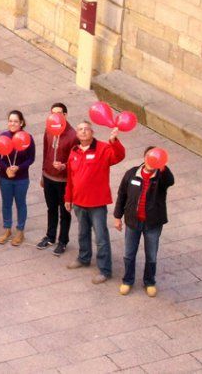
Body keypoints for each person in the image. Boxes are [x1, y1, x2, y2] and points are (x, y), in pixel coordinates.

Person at [65, 121, 125, 284]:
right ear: (76, 134)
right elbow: (70, 178)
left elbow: (119, 156)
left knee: (101, 237)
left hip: (97, 203)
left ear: (92, 132)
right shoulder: (74, 151)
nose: (83, 132)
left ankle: (105, 270)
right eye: (80, 129)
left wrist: (114, 141)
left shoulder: (103, 149)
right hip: (78, 201)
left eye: (86, 129)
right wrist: (68, 197)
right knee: (82, 233)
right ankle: (84, 258)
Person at [115, 147, 174, 297]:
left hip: (152, 223)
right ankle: (127, 280)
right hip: (133, 222)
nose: (151, 161)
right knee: (129, 253)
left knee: (151, 254)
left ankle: (149, 281)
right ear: (144, 157)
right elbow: (122, 194)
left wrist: (163, 168)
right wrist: (117, 216)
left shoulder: (161, 177)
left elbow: (170, 181)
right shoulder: (131, 173)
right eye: (149, 157)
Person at [37, 103, 79, 255]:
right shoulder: (49, 129)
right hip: (48, 177)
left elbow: (76, 161)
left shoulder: (73, 135)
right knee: (51, 208)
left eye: (59, 113)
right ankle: (50, 236)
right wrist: (43, 173)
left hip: (63, 180)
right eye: (53, 113)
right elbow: (45, 152)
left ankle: (63, 241)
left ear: (66, 115)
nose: (56, 116)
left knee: (64, 211)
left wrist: (64, 166)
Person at [0, 111, 36, 246]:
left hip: (21, 178)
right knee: (6, 203)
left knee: (20, 203)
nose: (12, 123)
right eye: (10, 121)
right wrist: (6, 168)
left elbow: (31, 158)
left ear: (21, 123)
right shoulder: (3, 137)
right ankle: (7, 229)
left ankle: (20, 231)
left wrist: (18, 168)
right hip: (4, 177)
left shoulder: (28, 138)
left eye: (15, 121)